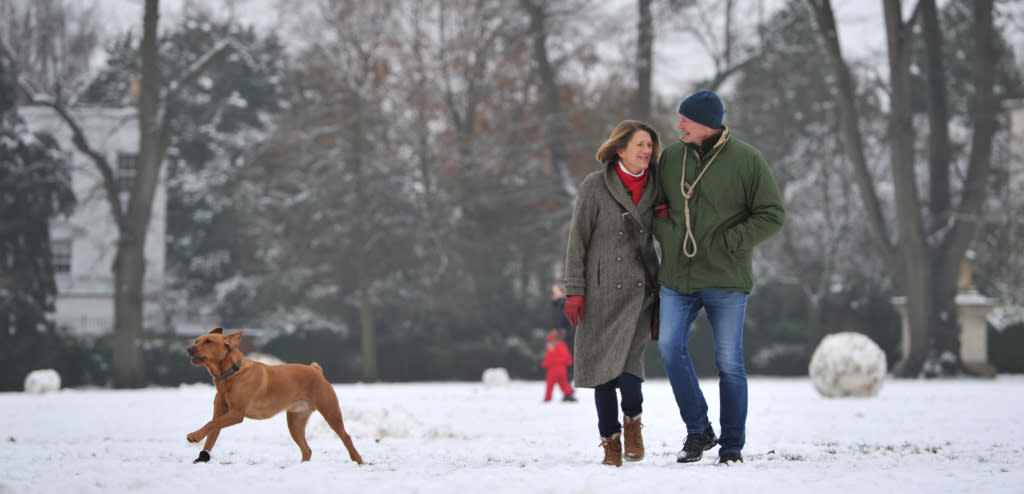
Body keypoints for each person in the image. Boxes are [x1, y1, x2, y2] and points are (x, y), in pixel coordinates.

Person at [652, 90, 785, 465]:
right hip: (678, 276)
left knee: (729, 362)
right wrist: (667, 235)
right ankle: (699, 430)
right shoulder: (672, 158)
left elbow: (772, 214)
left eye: (686, 121)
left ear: (707, 124)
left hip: (726, 277)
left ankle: (731, 446)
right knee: (668, 348)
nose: (678, 126)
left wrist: (731, 241)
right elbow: (657, 208)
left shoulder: (748, 160)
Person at [563, 120, 661, 467]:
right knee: (603, 370)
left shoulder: (657, 186)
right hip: (600, 292)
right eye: (640, 145)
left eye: (650, 145)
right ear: (620, 149)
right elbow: (578, 241)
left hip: (640, 291)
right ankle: (611, 442)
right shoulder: (594, 185)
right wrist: (575, 290)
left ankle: (632, 423)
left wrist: (667, 217)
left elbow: (669, 230)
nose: (647, 151)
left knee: (630, 364)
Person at [540, 330, 576, 402]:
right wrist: (568, 363)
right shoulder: (562, 345)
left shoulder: (551, 346)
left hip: (552, 369)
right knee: (564, 383)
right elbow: (568, 357)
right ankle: (569, 394)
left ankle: (547, 398)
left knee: (550, 385)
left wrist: (544, 364)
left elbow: (549, 358)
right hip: (562, 369)